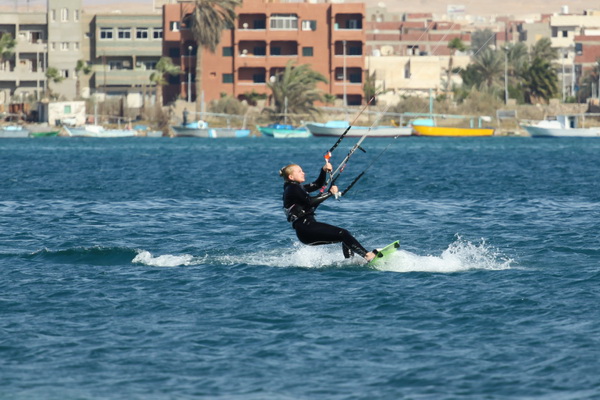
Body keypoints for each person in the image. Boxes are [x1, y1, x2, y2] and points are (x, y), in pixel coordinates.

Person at [280, 161, 375, 262]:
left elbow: (318, 184)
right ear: (291, 177)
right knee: (344, 234)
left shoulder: (296, 187)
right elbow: (310, 202)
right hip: (306, 228)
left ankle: (350, 262)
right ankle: (367, 255)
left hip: (305, 230)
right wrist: (329, 193)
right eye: (299, 171)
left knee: (345, 237)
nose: (303, 173)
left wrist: (323, 170)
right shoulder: (292, 188)